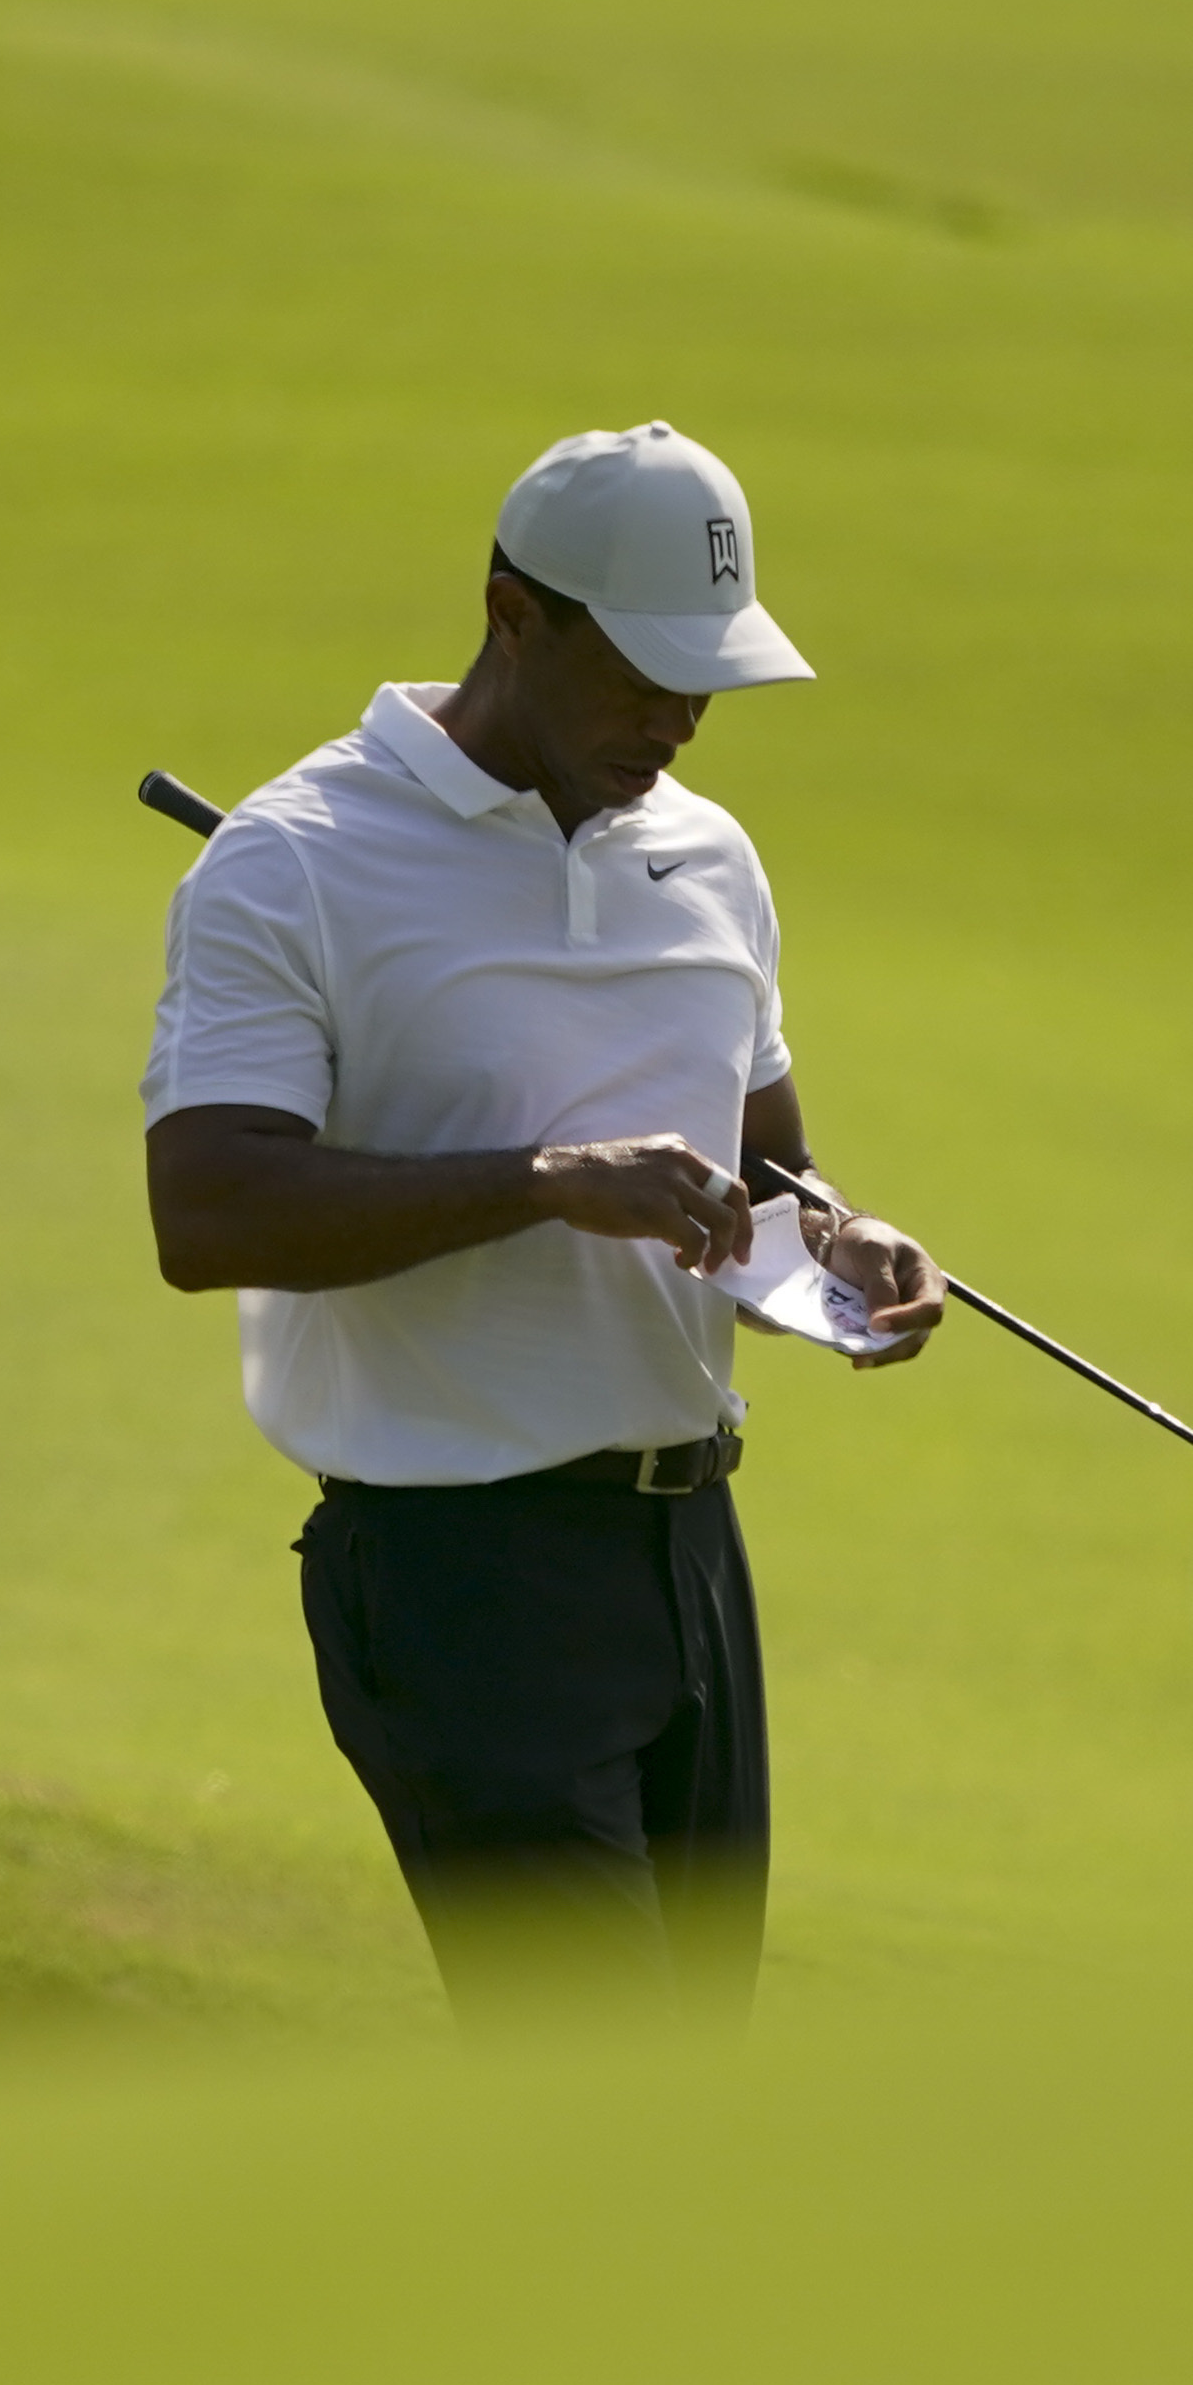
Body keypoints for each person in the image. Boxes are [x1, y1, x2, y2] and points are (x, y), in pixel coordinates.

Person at [142, 421, 945, 2015]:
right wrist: (541, 1185)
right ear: (517, 612)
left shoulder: (711, 860)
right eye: (643, 671)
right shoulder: (294, 862)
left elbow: (764, 1159)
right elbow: (208, 1206)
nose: (681, 720)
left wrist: (838, 1240)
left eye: (705, 678)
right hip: (461, 1568)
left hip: (689, 1553)